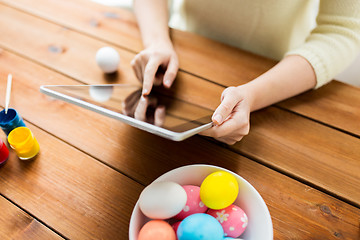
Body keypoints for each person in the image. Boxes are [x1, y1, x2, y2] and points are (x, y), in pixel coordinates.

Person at [131, 0, 360, 145]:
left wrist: (253, 96)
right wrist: (157, 42)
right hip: (185, 57)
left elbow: (342, 30)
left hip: (278, 77)